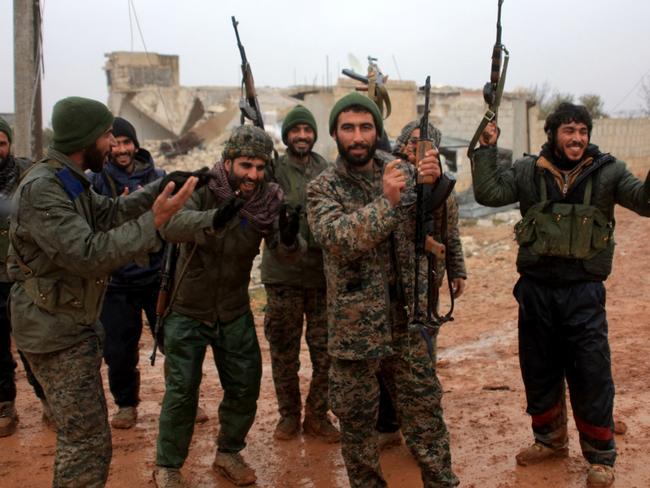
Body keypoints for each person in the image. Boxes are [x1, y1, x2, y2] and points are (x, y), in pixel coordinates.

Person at [8, 97, 197, 487]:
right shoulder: (44, 189)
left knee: (87, 439)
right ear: (87, 138)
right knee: (86, 442)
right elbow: (89, 254)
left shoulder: (67, 177)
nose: (113, 144)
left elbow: (109, 213)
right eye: (108, 135)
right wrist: (156, 222)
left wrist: (162, 185)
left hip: (67, 322)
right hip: (53, 331)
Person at [471, 102, 650, 488]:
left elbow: (645, 201)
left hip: (584, 292)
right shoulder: (527, 170)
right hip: (535, 290)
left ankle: (601, 456)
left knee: (590, 372)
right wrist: (485, 147)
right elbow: (487, 193)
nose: (578, 138)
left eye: (583, 131)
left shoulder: (609, 172)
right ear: (553, 134)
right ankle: (549, 441)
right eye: (569, 130)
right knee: (539, 369)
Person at [307, 92, 459, 488]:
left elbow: (436, 228)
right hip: (354, 330)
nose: (357, 137)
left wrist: (436, 184)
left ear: (377, 131)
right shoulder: (323, 188)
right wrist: (386, 203)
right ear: (336, 134)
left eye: (365, 127)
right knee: (357, 428)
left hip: (407, 322)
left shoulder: (402, 171)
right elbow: (338, 239)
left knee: (426, 415)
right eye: (348, 128)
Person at [153, 125, 303, 488]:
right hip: (187, 310)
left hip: (233, 310)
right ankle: (168, 466)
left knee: (244, 385)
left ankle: (229, 452)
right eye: (245, 165)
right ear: (229, 161)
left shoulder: (268, 200)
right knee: (182, 391)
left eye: (260, 167)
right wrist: (213, 220)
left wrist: (287, 237)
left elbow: (284, 256)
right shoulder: (202, 187)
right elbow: (170, 225)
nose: (253, 174)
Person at [375, 119, 468, 449]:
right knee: (385, 362)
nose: (419, 149)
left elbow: (450, 233)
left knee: (423, 364)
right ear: (401, 143)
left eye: (428, 144)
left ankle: (423, 436)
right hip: (390, 288)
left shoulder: (441, 186)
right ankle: (387, 425)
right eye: (413, 142)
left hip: (425, 287)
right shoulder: (387, 177)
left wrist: (457, 270)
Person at [260, 105, 339, 442]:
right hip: (284, 277)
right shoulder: (272, 171)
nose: (302, 136)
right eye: (296, 131)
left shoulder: (327, 169)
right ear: (287, 135)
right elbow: (263, 214)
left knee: (326, 353)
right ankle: (289, 416)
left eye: (307, 130)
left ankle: (317, 416)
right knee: (283, 352)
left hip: (322, 279)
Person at [88, 116, 165, 429]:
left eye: (127, 142)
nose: (121, 149)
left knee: (175, 342)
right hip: (116, 282)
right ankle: (126, 404)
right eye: (116, 142)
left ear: (136, 145)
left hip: (157, 277)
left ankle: (183, 398)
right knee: (118, 349)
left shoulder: (158, 177)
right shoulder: (95, 182)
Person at [0, 117, 52, 436]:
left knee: (33, 341)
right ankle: (5, 403)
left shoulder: (28, 174)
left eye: (1, 143)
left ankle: (48, 399)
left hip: (24, 274)